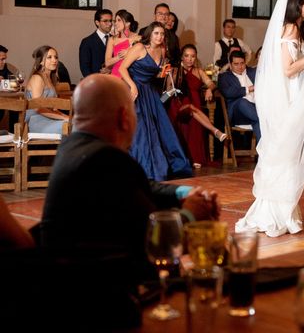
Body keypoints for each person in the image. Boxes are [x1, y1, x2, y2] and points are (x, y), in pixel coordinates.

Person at [40, 74, 220, 274]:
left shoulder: (72, 147)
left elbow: (139, 187)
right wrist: (191, 214)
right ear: (123, 118)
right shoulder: (106, 157)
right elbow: (157, 241)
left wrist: (183, 192)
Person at [236, 0, 304, 237]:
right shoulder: (290, 30)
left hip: (293, 97)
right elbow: (288, 70)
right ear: (297, 6)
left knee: (289, 157)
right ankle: (273, 214)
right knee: (286, 156)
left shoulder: (297, 31)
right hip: (287, 100)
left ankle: (285, 212)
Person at [119, 22, 192, 181]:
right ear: (150, 34)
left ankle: (158, 166)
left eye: (162, 34)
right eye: (156, 33)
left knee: (161, 128)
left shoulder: (163, 50)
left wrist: (161, 74)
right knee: (141, 131)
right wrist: (132, 86)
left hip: (149, 91)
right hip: (133, 89)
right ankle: (139, 168)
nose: (160, 37)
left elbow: (153, 74)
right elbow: (122, 69)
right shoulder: (139, 48)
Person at [168, 44, 227, 169]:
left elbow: (211, 84)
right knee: (190, 108)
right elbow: (167, 91)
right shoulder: (174, 70)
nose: (190, 59)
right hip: (178, 106)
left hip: (195, 107)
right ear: (182, 57)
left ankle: (196, 158)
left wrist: (209, 90)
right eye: (187, 56)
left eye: (193, 56)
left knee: (195, 119)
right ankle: (215, 131)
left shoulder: (199, 71)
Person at [217, 51, 261, 143]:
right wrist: (249, 89)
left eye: (242, 63)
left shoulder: (255, 72)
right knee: (242, 102)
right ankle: (264, 120)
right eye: (236, 64)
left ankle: (265, 154)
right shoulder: (224, 77)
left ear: (245, 62)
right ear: (230, 64)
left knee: (257, 121)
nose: (240, 67)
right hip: (238, 114)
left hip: (257, 110)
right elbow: (228, 93)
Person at [24, 45, 70, 134]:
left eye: (56, 57)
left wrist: (68, 117)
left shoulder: (51, 79)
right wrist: (64, 118)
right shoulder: (37, 78)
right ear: (41, 61)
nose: (54, 60)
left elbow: (54, 109)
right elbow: (37, 108)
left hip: (49, 119)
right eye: (49, 57)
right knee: (75, 127)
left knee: (78, 124)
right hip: (35, 121)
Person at [139, 3, 181, 67]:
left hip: (165, 72)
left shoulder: (174, 37)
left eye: (166, 14)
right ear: (154, 15)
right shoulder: (144, 31)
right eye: (160, 14)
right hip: (145, 69)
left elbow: (176, 58)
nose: (163, 17)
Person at [104, 9, 140, 78]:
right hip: (116, 76)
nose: (115, 23)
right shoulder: (112, 39)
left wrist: (129, 52)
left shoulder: (138, 38)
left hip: (132, 76)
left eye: (119, 20)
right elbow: (107, 63)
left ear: (127, 23)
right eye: (115, 21)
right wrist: (119, 56)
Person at [78, 8, 112, 77]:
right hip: (96, 82)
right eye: (105, 21)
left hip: (114, 81)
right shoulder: (87, 42)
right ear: (97, 22)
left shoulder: (116, 39)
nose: (110, 24)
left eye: (111, 21)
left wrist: (111, 70)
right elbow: (85, 68)